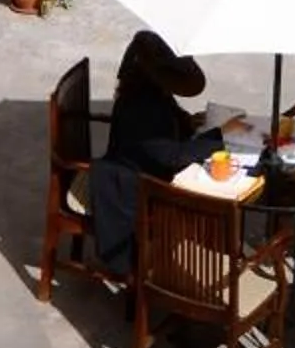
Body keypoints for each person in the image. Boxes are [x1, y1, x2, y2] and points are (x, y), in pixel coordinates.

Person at [89, 31, 223, 277]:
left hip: (139, 164)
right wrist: (220, 137)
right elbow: (173, 156)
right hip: (137, 184)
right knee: (212, 196)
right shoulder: (143, 107)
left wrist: (188, 123)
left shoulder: (146, 92)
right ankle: (187, 265)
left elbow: (166, 122)